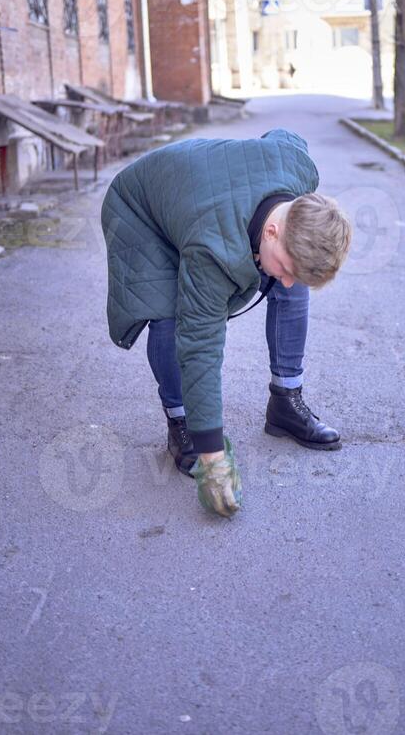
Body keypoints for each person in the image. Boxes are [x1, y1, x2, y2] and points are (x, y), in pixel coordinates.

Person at [101, 128, 352, 516]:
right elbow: (200, 346)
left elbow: (285, 138)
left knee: (292, 287)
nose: (284, 279)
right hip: (142, 209)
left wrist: (287, 264)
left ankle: (285, 401)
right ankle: (180, 421)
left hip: (204, 192)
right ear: (271, 230)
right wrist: (213, 459)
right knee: (171, 315)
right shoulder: (211, 249)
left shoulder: (300, 176)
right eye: (283, 267)